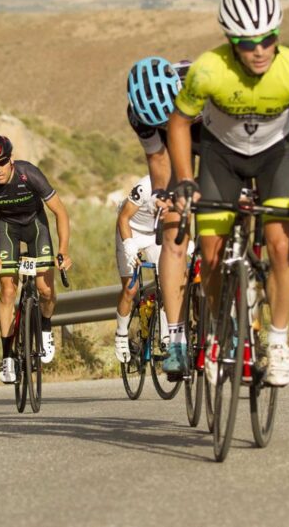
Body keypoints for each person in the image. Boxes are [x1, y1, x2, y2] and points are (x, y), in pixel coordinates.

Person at [169, 0, 289, 387]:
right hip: (221, 155)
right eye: (246, 42)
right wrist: (186, 179)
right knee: (210, 254)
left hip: (277, 155)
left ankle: (276, 341)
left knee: (279, 244)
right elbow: (178, 123)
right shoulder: (208, 70)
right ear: (230, 41)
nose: (259, 50)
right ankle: (216, 330)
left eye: (267, 39)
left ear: (277, 35)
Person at [0, 133, 72, 384]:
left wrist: (64, 250)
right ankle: (7, 357)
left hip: (35, 225)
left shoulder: (30, 174)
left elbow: (60, 212)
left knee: (45, 290)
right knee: (7, 291)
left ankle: (46, 326)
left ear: (11, 160)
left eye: (2, 162)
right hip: (6, 228)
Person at [125, 56, 201, 378]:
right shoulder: (139, 116)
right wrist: (162, 196)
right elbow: (157, 159)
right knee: (173, 232)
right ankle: (177, 340)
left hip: (207, 136)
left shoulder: (200, 89)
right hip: (171, 149)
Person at [113, 174, 163, 362]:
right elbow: (123, 217)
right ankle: (121, 334)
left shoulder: (181, 185)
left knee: (167, 282)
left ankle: (167, 335)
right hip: (129, 228)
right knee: (130, 288)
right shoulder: (145, 186)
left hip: (155, 234)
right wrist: (128, 244)